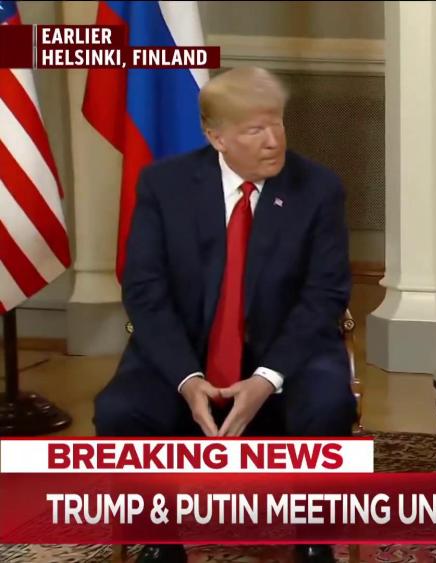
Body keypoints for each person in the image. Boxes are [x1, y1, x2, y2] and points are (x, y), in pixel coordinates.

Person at [93, 66, 355, 563]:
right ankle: (160, 542)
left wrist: (266, 379)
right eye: (255, 129)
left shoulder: (318, 188)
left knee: (327, 404)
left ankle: (313, 540)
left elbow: (324, 295)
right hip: (187, 353)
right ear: (217, 137)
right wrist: (187, 379)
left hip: (287, 354)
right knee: (121, 410)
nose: (273, 140)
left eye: (277, 122)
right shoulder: (164, 185)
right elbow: (145, 291)